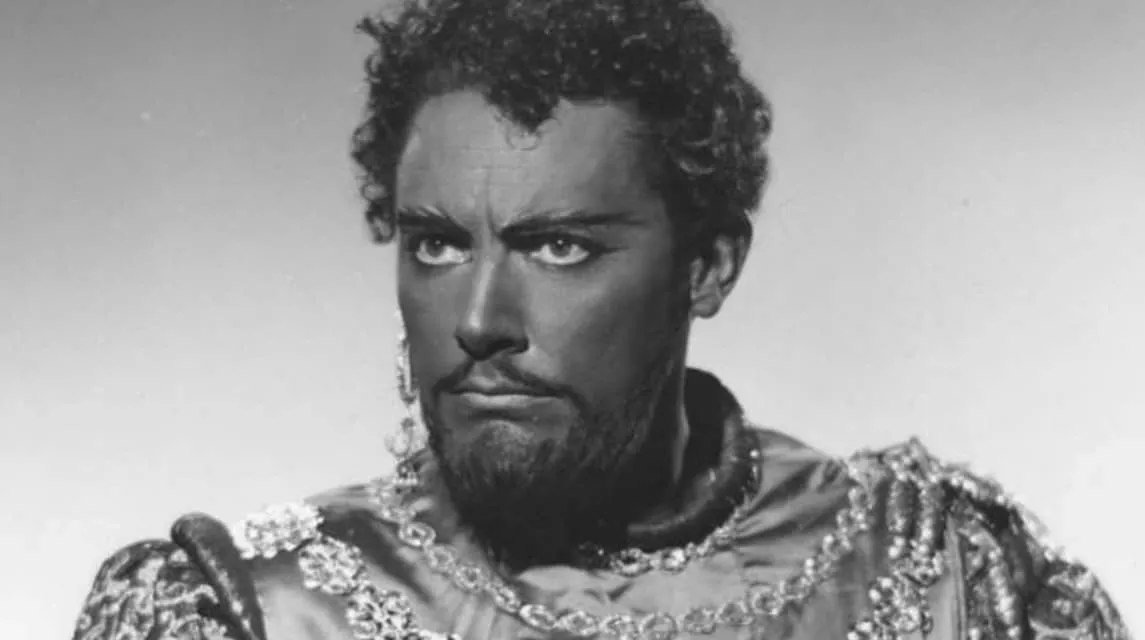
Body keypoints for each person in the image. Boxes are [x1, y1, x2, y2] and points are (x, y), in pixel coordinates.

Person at [71, 0, 1130, 638]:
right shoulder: (247, 611)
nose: (478, 319)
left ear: (706, 267)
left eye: (559, 246)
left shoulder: (942, 576)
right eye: (435, 244)